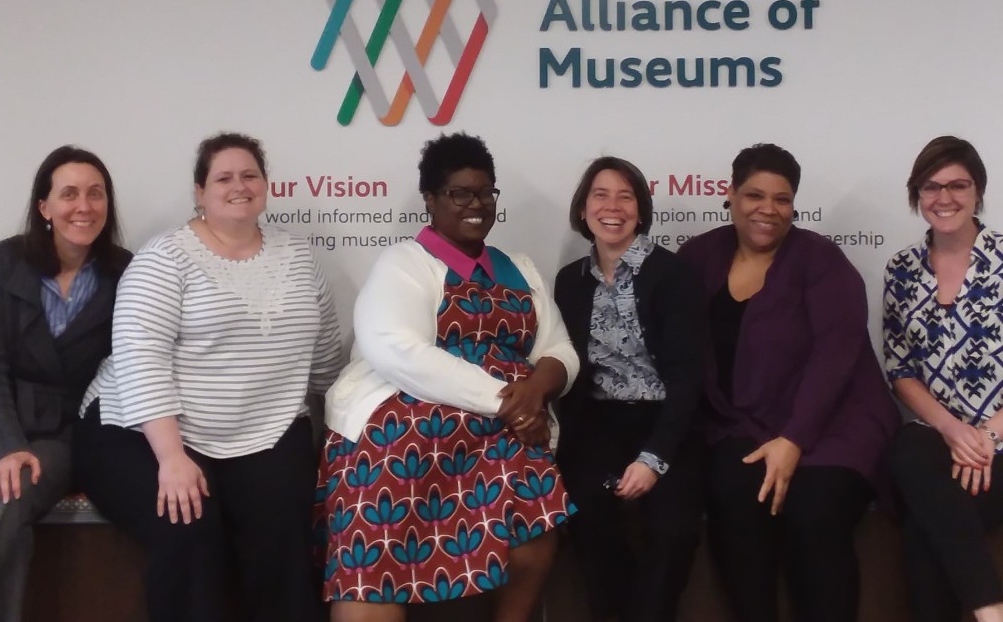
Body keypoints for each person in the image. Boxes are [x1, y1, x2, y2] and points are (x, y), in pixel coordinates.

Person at [74, 132, 343, 622]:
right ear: (200, 191)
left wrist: (350, 425)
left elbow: (325, 358)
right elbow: (139, 360)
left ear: (265, 185)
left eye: (249, 175)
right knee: (189, 530)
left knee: (284, 534)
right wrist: (171, 458)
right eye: (223, 177)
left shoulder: (300, 258)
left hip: (264, 427)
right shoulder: (165, 258)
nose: (238, 186)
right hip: (143, 428)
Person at [318, 132, 578, 622]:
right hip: (402, 429)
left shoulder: (518, 268)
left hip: (503, 431)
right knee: (376, 538)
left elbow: (559, 348)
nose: (476, 204)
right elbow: (397, 351)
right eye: (461, 193)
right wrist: (510, 402)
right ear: (431, 200)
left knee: (537, 520)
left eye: (486, 192)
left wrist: (537, 390)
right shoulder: (405, 263)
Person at [676, 143, 898, 622]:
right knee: (733, 498)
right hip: (742, 423)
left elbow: (835, 358)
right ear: (730, 194)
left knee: (812, 515)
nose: (768, 210)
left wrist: (794, 438)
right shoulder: (698, 256)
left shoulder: (822, 261)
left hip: (837, 422)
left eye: (782, 199)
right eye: (755, 195)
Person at [0, 145, 130, 622]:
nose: (83, 206)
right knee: (4, 518)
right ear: (44, 207)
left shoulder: (125, 271)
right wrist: (7, 446)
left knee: (5, 497)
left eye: (95, 193)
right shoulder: (5, 260)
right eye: (69, 193)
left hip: (62, 433)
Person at [553, 156, 707, 622]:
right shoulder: (570, 281)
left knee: (673, 531)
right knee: (586, 514)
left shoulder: (672, 275)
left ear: (641, 211)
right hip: (598, 424)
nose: (612, 207)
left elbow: (687, 377)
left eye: (626, 196)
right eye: (600, 195)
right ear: (583, 209)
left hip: (667, 421)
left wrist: (653, 458)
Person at [884, 136, 1003, 622]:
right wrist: (955, 433)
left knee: (922, 529)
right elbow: (901, 369)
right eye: (931, 187)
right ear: (916, 195)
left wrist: (987, 438)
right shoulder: (902, 269)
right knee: (908, 450)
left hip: (1001, 440)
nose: (945, 197)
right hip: (939, 438)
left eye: (958, 185)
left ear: (978, 191)